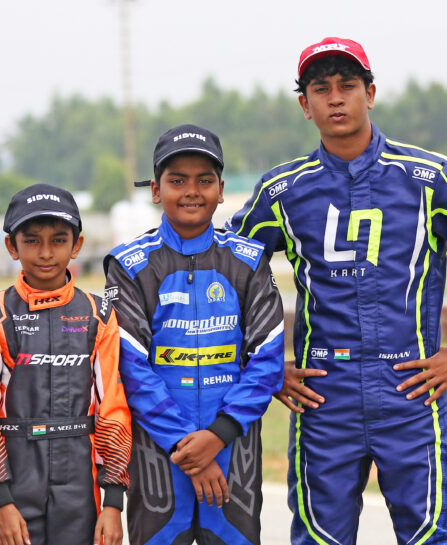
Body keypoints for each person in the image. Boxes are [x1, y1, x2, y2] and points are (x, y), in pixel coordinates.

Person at [227, 37, 447, 545]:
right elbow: (226, 279)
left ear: (370, 93)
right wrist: (264, 368)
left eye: (347, 85)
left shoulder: (429, 178)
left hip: (413, 391)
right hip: (322, 397)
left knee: (435, 537)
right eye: (320, 88)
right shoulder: (281, 191)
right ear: (304, 105)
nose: (335, 98)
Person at [104, 124, 285, 545]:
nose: (191, 191)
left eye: (204, 180)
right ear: (155, 189)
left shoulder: (248, 261)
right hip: (160, 454)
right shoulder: (129, 265)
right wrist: (188, 449)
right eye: (177, 180)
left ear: (221, 190)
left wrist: (217, 436)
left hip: (231, 447)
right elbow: (130, 367)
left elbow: (268, 359)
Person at [0, 183, 132, 545]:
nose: (46, 252)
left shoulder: (99, 315)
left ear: (77, 245)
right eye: (32, 240)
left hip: (80, 488)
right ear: (12, 246)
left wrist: (113, 502)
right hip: (13, 482)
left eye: (59, 240)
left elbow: (113, 410)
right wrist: (0, 501)